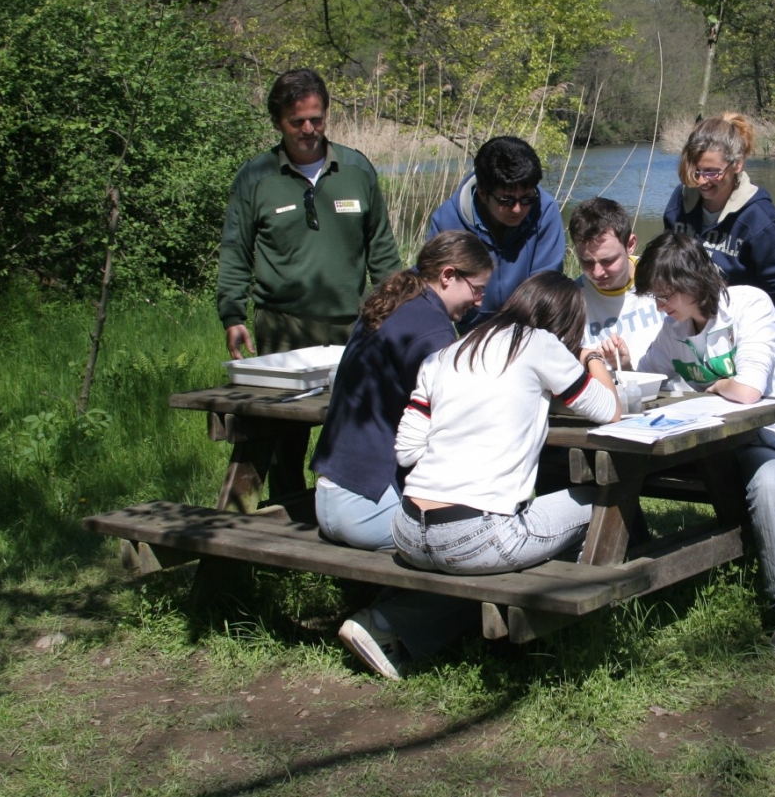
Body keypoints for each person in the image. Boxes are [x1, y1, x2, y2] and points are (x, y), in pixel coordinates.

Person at [633, 231, 775, 690]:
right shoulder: (675, 330)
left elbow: (749, 388)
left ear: (693, 281)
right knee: (767, 488)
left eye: (665, 295)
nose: (659, 306)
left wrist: (715, 385)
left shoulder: (748, 304)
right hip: (761, 439)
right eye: (655, 297)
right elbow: (648, 379)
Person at [312, 230, 494, 679]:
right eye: (476, 290)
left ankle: (392, 608)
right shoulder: (430, 328)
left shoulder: (396, 302)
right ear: (448, 275)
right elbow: (461, 418)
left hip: (332, 492)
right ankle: (387, 627)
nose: (477, 302)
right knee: (483, 548)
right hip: (368, 504)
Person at [217, 68, 402, 492]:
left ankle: (357, 507)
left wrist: (396, 311)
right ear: (277, 122)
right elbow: (235, 252)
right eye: (297, 121)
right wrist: (231, 313)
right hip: (283, 326)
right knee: (285, 434)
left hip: (353, 324)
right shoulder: (255, 178)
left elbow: (382, 250)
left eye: (317, 119)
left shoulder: (356, 169)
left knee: (363, 422)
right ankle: (287, 512)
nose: (309, 130)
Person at [391, 272, 621, 577]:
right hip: (479, 534)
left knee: (456, 566)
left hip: (406, 529)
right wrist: (592, 357)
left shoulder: (447, 353)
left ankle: (380, 619)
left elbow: (406, 452)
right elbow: (610, 409)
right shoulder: (540, 343)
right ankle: (587, 601)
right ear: (566, 324)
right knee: (603, 502)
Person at [661, 112, 775, 320]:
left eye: (712, 171)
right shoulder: (679, 202)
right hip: (689, 321)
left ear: (738, 164)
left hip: (744, 324)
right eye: (696, 171)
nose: (701, 181)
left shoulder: (764, 221)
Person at [427, 135, 565, 328]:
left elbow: (545, 285)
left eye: (526, 199)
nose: (517, 209)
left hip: (529, 329)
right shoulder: (447, 220)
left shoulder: (546, 210)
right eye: (506, 201)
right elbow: (435, 292)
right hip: (470, 331)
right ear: (483, 194)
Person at [567, 196, 664, 368]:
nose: (597, 272)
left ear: (630, 244)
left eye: (608, 260)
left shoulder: (662, 279)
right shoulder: (570, 300)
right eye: (587, 262)